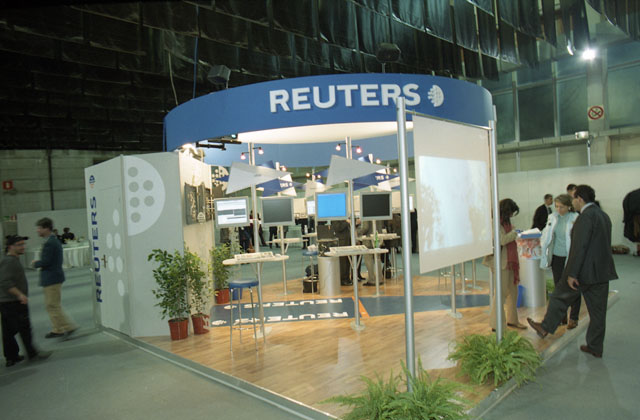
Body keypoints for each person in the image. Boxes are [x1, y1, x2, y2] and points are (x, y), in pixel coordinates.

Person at [528, 185, 618, 358]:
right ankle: (595, 347)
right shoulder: (603, 216)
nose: (573, 202)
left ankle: (545, 327)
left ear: (580, 199)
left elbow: (579, 248)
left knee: (559, 296)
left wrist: (572, 274)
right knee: (598, 313)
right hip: (602, 272)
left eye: (574, 198)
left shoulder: (585, 218)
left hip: (584, 272)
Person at [0, 235, 52, 366]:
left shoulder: (11, 259)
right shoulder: (9, 261)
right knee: (24, 327)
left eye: (23, 244)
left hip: (7, 301)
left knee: (9, 331)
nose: (23, 247)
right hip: (12, 301)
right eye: (19, 245)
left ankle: (11, 357)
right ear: (10, 247)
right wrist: (19, 295)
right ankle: (32, 353)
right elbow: (5, 282)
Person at [483, 198, 527, 331]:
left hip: (510, 262)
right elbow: (501, 240)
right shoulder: (496, 223)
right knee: (501, 294)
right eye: (511, 212)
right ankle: (496, 324)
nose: (512, 215)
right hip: (501, 262)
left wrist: (513, 233)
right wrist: (514, 233)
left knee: (513, 292)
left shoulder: (506, 223)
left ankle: (512, 320)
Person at [539, 194, 580, 328]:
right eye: (556, 206)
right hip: (557, 257)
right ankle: (561, 317)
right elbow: (547, 235)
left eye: (561, 207)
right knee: (558, 287)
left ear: (569, 206)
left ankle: (573, 317)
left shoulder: (575, 218)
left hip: (570, 257)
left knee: (573, 287)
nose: (558, 209)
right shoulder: (552, 217)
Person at [33, 217, 77, 339]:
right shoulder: (52, 241)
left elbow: (46, 261)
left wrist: (35, 263)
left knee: (52, 305)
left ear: (46, 228)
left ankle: (67, 327)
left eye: (39, 228)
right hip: (54, 276)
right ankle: (59, 328)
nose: (37, 230)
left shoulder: (50, 243)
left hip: (51, 277)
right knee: (52, 305)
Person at [358, 219, 384, 286]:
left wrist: (357, 232)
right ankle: (379, 279)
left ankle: (371, 280)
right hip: (377, 237)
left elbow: (365, 227)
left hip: (369, 239)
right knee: (377, 259)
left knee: (368, 260)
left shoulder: (366, 214)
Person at [331, 220, 352, 285]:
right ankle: (343, 279)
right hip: (342, 242)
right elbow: (338, 228)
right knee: (343, 262)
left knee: (347, 260)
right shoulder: (335, 217)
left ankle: (347, 278)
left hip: (347, 241)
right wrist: (347, 222)